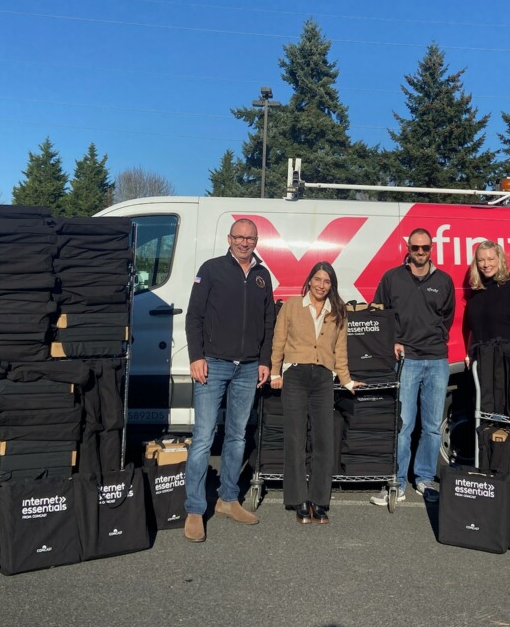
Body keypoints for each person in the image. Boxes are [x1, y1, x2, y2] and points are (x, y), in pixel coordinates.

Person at [183, 218, 275, 543]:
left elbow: (269, 323)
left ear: (256, 240)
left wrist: (265, 361)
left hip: (248, 367)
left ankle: (227, 499)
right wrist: (196, 356)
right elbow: (193, 317)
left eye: (250, 238)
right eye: (239, 237)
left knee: (237, 437)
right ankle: (195, 508)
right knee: (204, 438)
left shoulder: (263, 276)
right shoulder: (211, 269)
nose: (244, 242)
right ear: (229, 238)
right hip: (214, 364)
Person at [270, 262, 363, 525]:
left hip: (323, 378)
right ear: (309, 280)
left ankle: (319, 501)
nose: (322, 285)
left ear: (332, 285)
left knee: (324, 441)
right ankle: (298, 499)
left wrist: (346, 380)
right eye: (318, 279)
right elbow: (279, 340)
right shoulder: (291, 306)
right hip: (296, 375)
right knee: (296, 440)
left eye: (327, 281)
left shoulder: (338, 312)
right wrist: (275, 372)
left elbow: (340, 350)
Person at [370, 228, 455, 506]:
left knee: (431, 426)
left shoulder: (443, 281)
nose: (420, 252)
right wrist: (393, 340)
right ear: (408, 248)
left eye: (425, 248)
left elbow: (447, 317)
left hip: (437, 360)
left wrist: (436, 339)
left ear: (432, 249)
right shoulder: (392, 278)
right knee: (403, 424)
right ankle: (396, 481)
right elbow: (379, 312)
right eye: (415, 248)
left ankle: (425, 478)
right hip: (406, 360)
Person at [464, 239, 510, 350]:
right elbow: (473, 329)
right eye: (481, 260)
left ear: (500, 259)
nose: (486, 264)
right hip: (484, 359)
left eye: (490, 259)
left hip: (508, 359)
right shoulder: (476, 291)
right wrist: (470, 352)